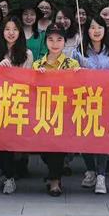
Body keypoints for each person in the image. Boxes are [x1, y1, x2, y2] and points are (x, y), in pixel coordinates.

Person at [0, 16, 34, 194]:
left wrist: (11, 72)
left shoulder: (27, 54)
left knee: (13, 144)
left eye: (14, 29)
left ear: (20, 32)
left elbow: (28, 81)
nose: (11, 33)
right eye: (7, 29)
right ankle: (8, 175)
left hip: (17, 104)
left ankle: (9, 176)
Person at [33, 24, 80, 196]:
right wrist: (36, 76)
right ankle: (55, 173)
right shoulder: (38, 64)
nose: (55, 43)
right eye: (51, 39)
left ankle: (54, 181)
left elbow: (79, 88)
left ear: (65, 42)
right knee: (45, 150)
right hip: (43, 112)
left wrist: (79, 75)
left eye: (59, 39)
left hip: (64, 113)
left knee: (56, 147)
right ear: (45, 42)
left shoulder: (72, 64)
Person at [74, 15, 109, 194]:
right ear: (87, 30)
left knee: (103, 138)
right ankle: (90, 170)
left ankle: (101, 175)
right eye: (92, 27)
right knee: (85, 136)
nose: (96, 31)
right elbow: (72, 73)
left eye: (100, 27)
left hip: (106, 101)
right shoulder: (79, 51)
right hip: (84, 100)